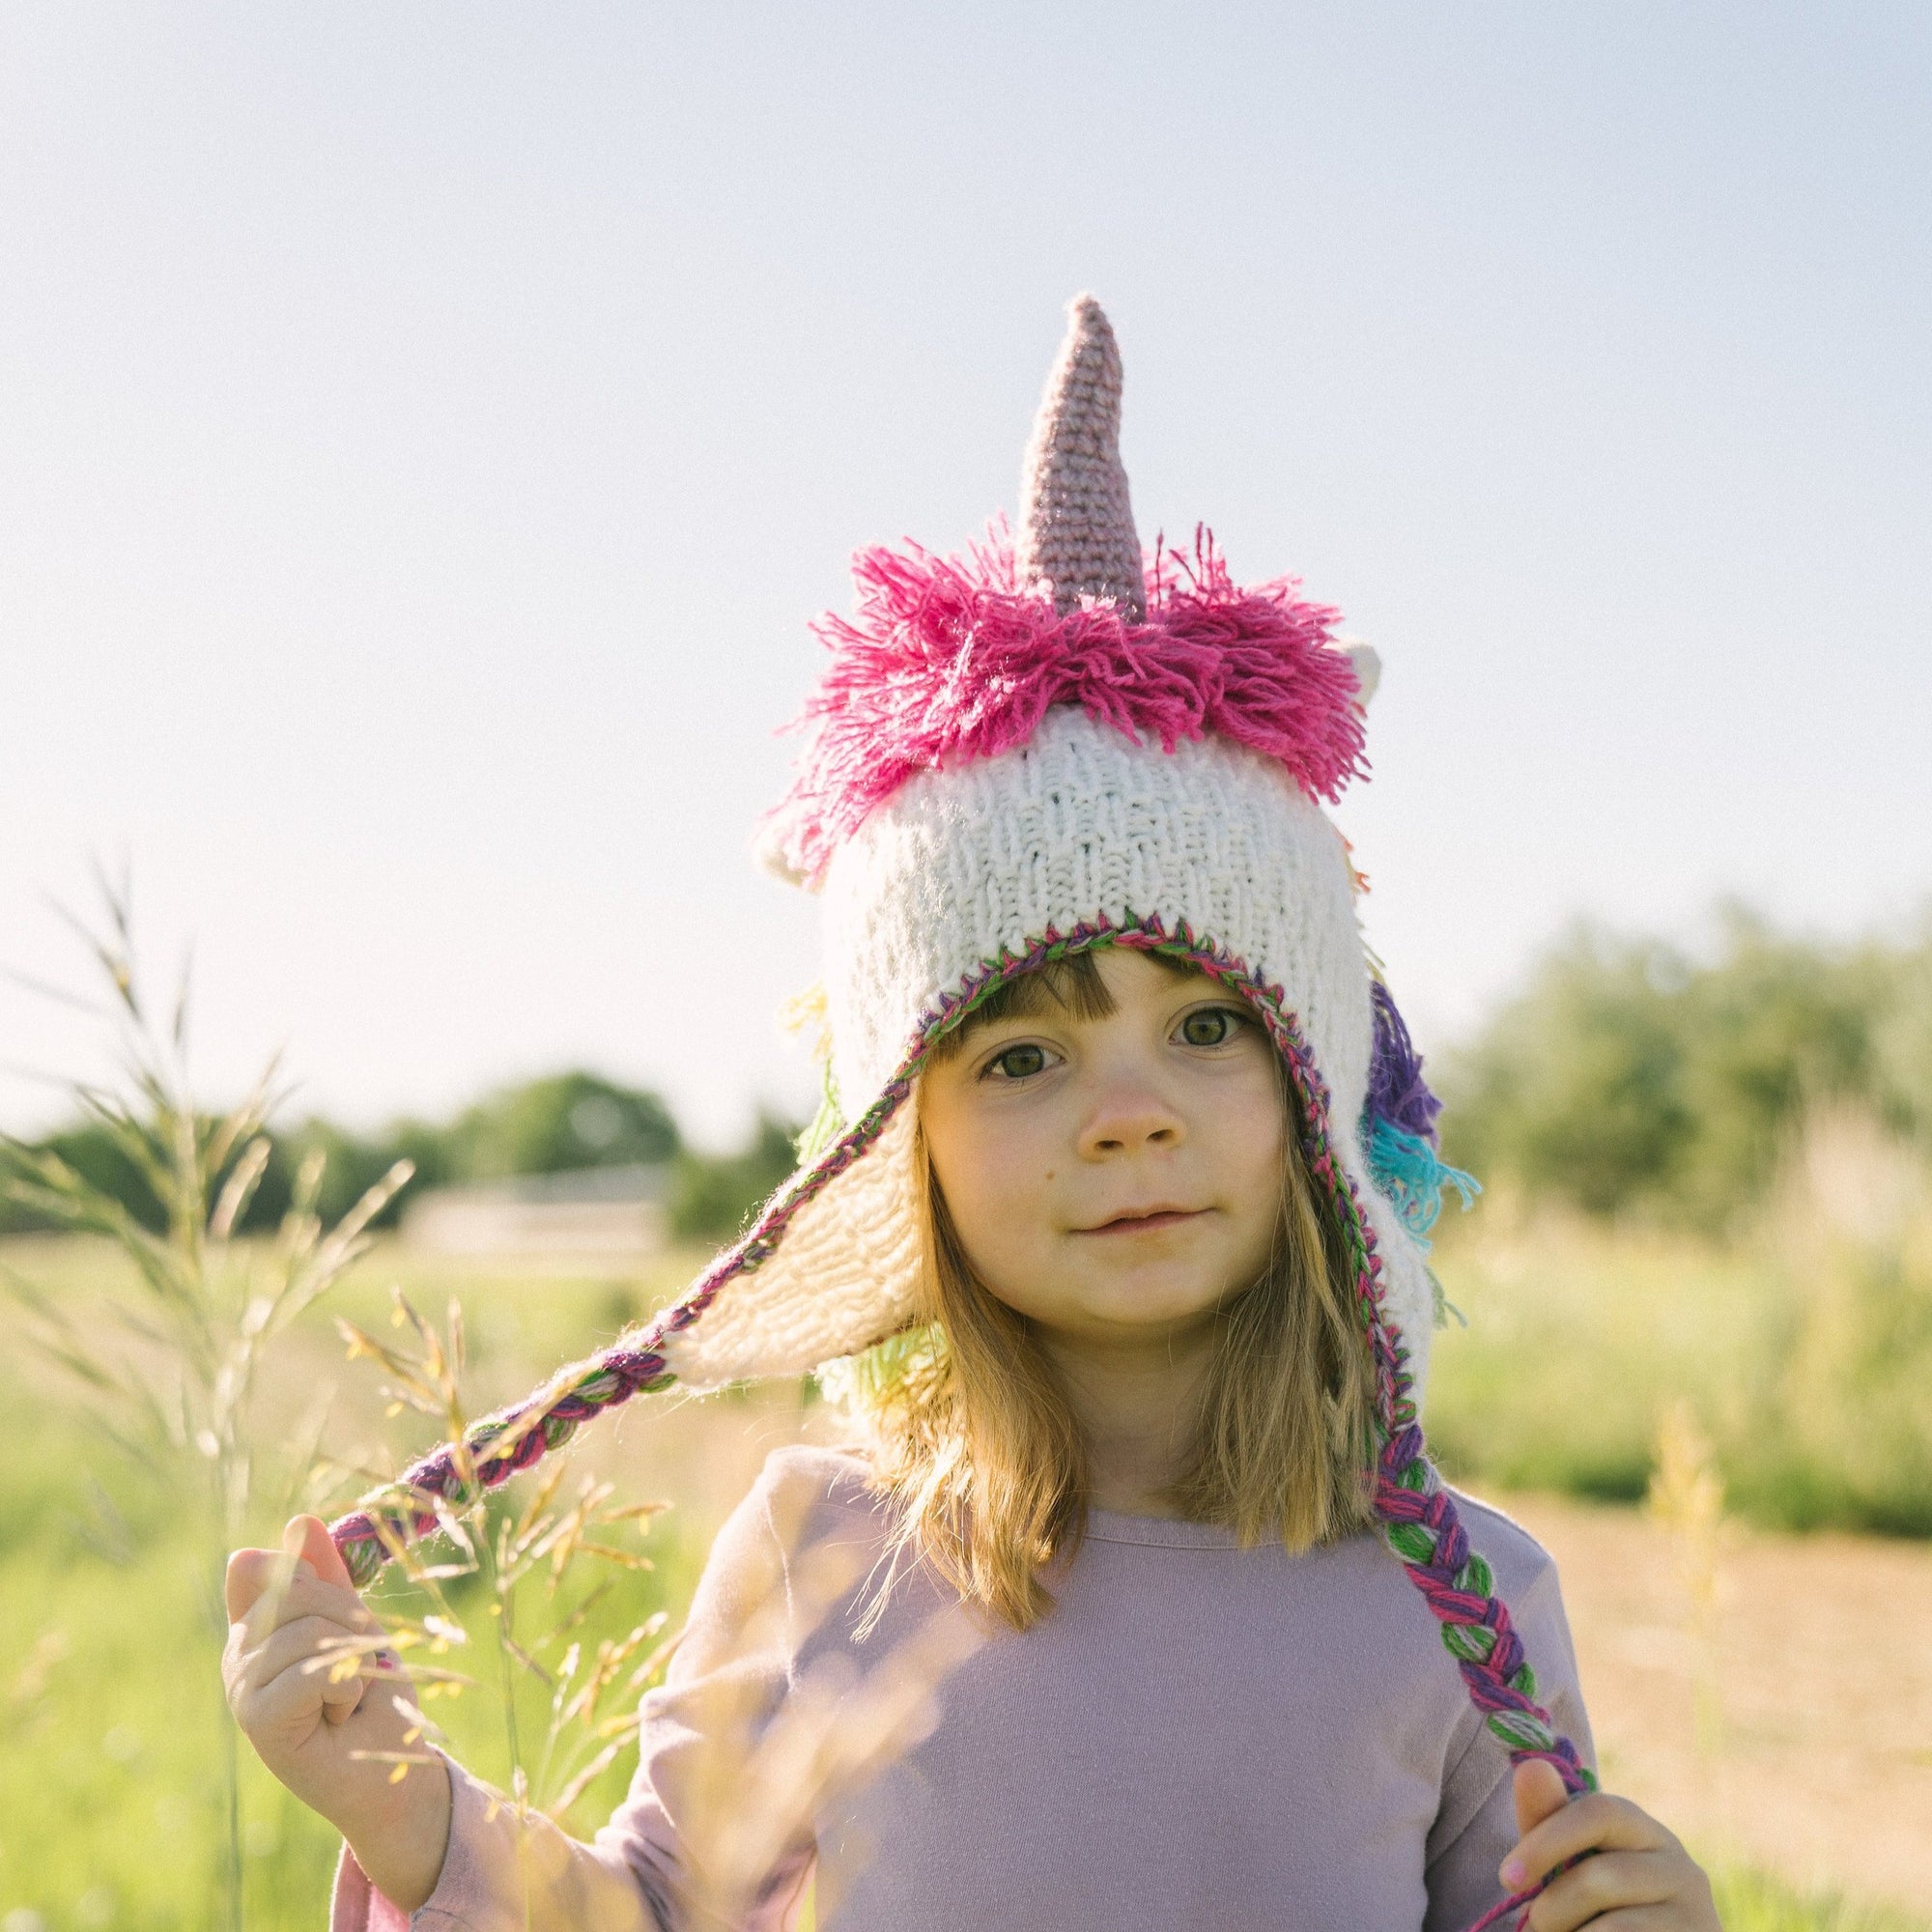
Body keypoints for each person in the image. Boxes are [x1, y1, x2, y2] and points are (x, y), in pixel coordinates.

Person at [225, 298, 1721, 1932]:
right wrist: (414, 1822)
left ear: (1315, 1098)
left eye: (1210, 1025)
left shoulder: (1465, 1604)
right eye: (1021, 1056)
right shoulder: (827, 1551)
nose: (1129, 1117)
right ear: (897, 1144)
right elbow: (656, 1914)